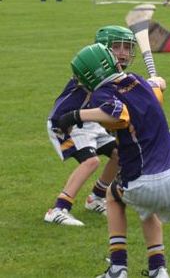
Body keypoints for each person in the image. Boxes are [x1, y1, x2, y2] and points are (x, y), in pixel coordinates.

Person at [56, 44, 170, 278]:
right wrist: (158, 82)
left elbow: (119, 113)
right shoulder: (138, 80)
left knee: (112, 197)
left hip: (146, 179)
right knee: (145, 209)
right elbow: (158, 89)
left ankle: (117, 269)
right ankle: (159, 269)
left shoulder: (102, 93)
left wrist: (75, 115)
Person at [45, 26, 137, 226]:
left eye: (127, 47)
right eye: (116, 47)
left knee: (120, 154)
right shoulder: (91, 73)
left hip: (89, 123)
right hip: (65, 124)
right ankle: (58, 209)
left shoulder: (114, 74)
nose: (123, 52)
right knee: (91, 161)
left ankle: (96, 197)